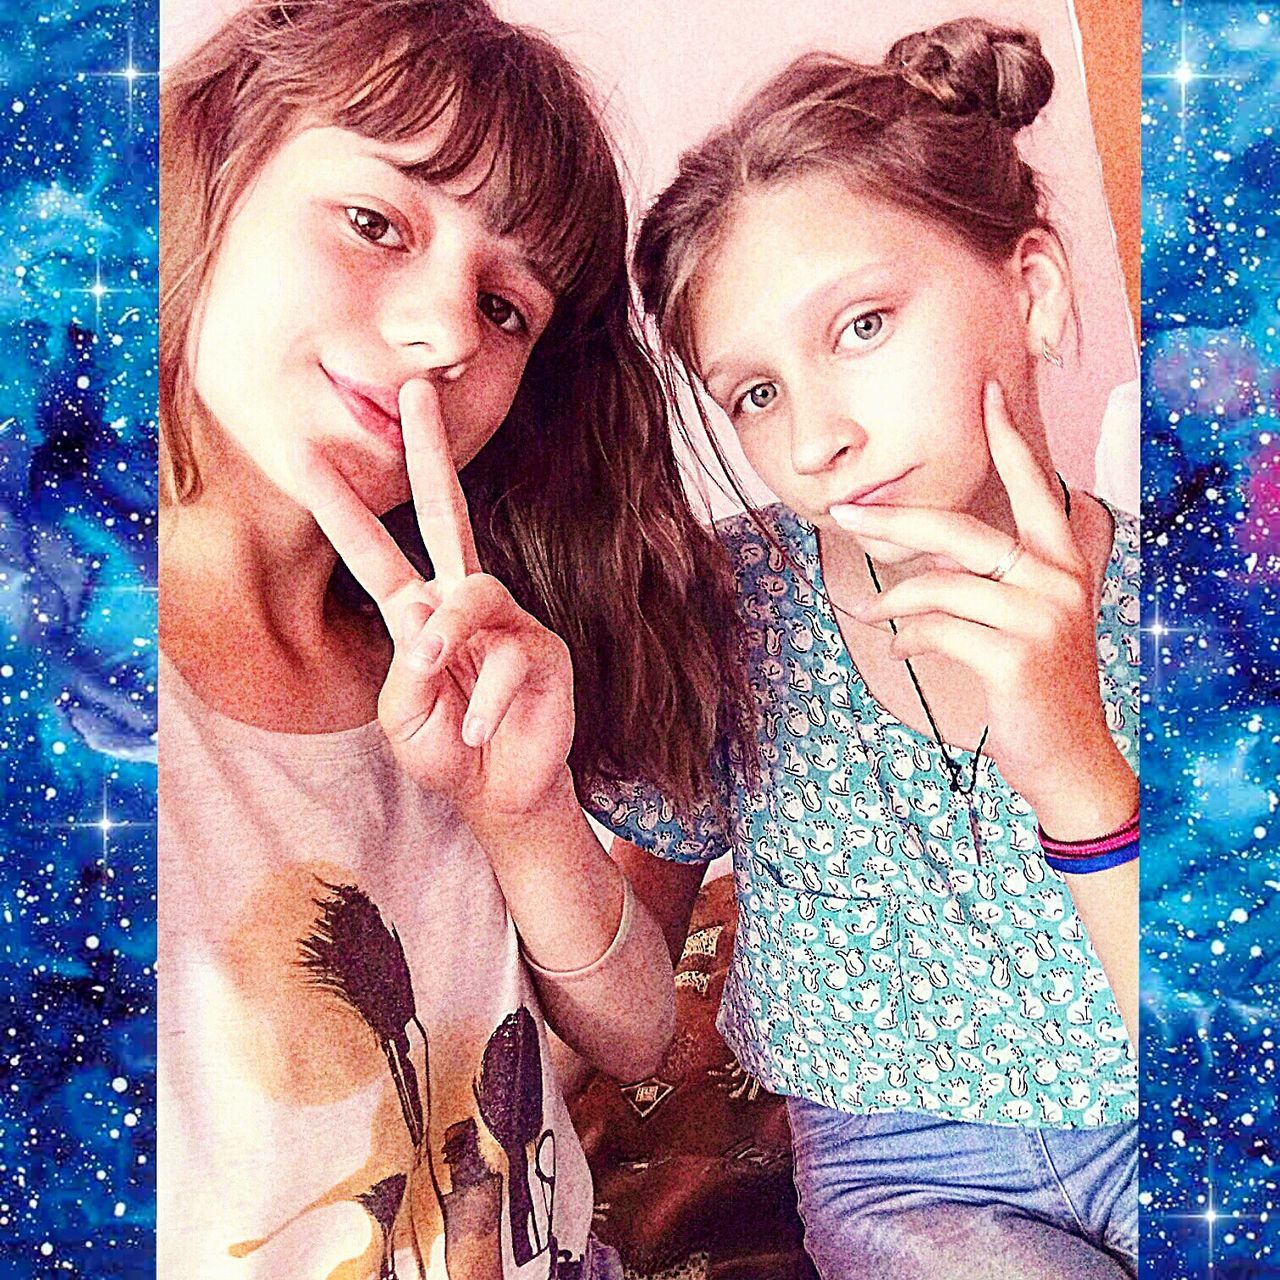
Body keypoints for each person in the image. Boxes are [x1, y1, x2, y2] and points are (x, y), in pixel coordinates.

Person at [157, 1, 751, 1275]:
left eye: (504, 309)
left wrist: (522, 812)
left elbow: (637, 1039)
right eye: (375, 221)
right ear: (208, 167)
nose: (439, 333)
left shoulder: (449, 648)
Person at [590, 19, 1139, 1280]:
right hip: (907, 1174)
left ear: (1034, 289)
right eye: (755, 393)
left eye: (862, 325)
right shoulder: (726, 606)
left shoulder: (1198, 599)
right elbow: (622, 983)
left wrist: (1074, 773)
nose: (818, 437)